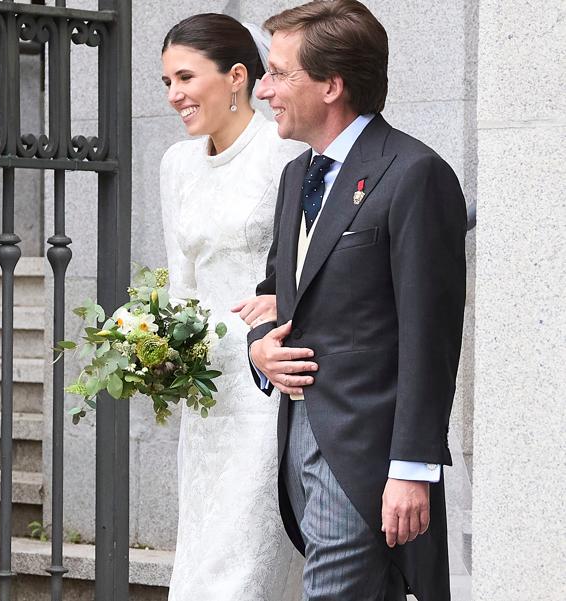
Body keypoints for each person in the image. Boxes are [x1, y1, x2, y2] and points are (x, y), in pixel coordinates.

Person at [246, 1, 467, 599]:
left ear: (331, 85)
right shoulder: (298, 176)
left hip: (367, 461)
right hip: (298, 443)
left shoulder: (415, 173)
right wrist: (259, 352)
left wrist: (412, 471)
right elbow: (275, 294)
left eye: (278, 73)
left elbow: (432, 335)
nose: (263, 90)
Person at [159, 13, 307, 601]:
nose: (175, 96)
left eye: (186, 78)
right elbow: (182, 284)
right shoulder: (176, 164)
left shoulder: (281, 151)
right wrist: (159, 347)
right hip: (207, 394)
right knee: (201, 550)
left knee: (248, 564)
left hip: (266, 386)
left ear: (238, 77)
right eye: (167, 82)